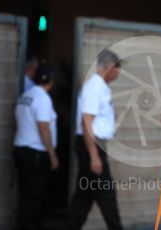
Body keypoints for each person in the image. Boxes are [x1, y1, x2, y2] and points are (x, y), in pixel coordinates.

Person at [67, 49, 123, 230]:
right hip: (91, 145)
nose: (118, 72)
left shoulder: (101, 87)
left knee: (83, 197)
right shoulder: (95, 86)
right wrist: (94, 156)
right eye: (116, 67)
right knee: (107, 195)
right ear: (107, 67)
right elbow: (86, 122)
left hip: (93, 145)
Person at [13, 64, 59, 230]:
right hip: (36, 155)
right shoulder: (43, 99)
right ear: (51, 81)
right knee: (35, 197)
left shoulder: (26, 96)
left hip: (21, 150)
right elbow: (43, 127)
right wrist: (52, 154)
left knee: (26, 195)